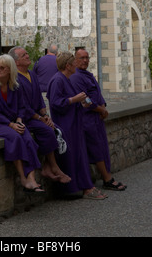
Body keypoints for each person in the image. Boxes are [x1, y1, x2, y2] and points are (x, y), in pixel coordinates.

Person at [47, 52, 107, 199]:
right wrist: (74, 99)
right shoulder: (58, 80)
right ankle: (74, 189)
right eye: (74, 63)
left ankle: (86, 187)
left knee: (80, 156)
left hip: (74, 123)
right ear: (68, 65)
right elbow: (55, 103)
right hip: (66, 125)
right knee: (72, 157)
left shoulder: (66, 79)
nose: (76, 66)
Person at [8, 46, 71, 185]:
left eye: (26, 53)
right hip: (26, 118)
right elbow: (23, 105)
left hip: (37, 115)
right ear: (16, 62)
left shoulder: (31, 74)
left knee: (58, 129)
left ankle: (49, 166)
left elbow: (39, 99)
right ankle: (54, 168)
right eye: (24, 55)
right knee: (47, 130)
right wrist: (40, 119)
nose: (27, 56)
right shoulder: (15, 79)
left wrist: (45, 114)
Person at [0, 54, 44, 193]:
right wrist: (11, 125)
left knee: (27, 138)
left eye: (2, 67)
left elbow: (22, 107)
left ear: (10, 70)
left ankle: (32, 179)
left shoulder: (15, 86)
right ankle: (23, 178)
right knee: (15, 137)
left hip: (12, 123)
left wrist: (19, 121)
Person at [71, 48, 126, 191]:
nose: (85, 60)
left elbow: (96, 92)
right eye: (81, 58)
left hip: (96, 117)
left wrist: (103, 106)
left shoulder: (87, 75)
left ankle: (107, 176)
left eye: (87, 58)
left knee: (101, 147)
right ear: (75, 60)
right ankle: (107, 179)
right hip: (87, 119)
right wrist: (100, 109)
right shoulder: (76, 76)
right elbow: (85, 99)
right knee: (96, 149)